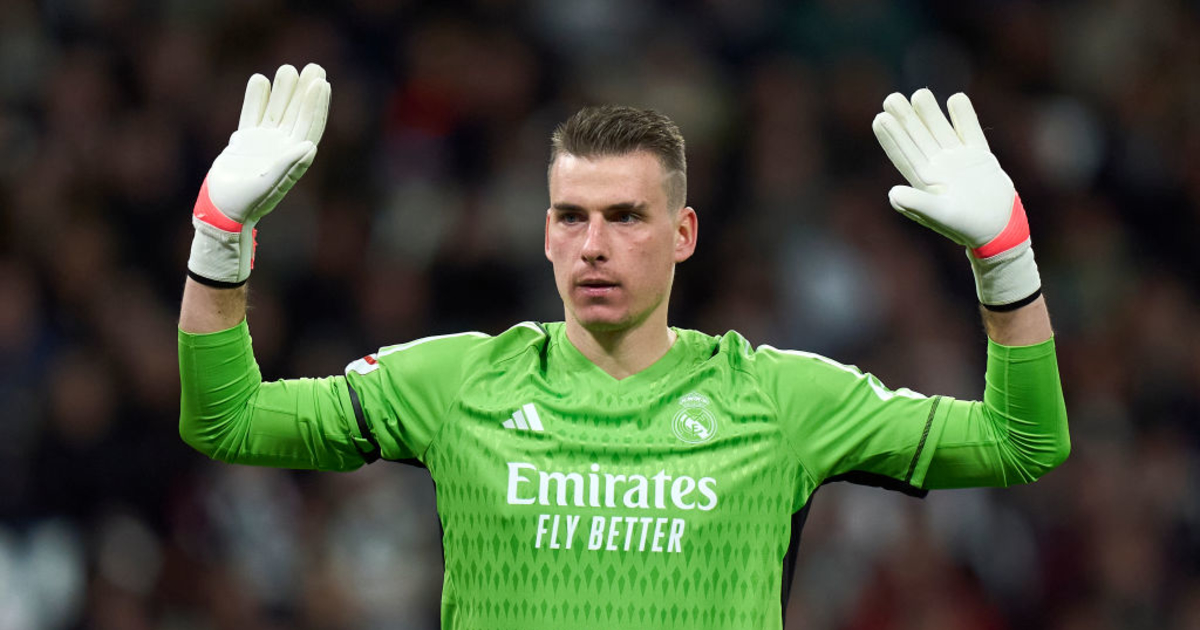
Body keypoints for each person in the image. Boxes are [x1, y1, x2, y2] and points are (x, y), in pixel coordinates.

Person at [178, 63, 1069, 630]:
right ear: (546, 234)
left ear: (683, 234)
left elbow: (1021, 442)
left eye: (626, 217)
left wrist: (1006, 258)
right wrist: (219, 233)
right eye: (571, 216)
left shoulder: (778, 399)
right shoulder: (456, 382)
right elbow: (227, 421)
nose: (594, 245)